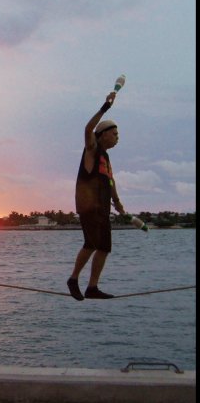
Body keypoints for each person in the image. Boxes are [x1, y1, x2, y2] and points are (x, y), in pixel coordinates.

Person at [68, 91, 122, 300]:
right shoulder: (92, 149)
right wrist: (105, 107)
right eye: (114, 134)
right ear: (103, 134)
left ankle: (92, 287)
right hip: (88, 205)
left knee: (104, 247)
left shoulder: (106, 159)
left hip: (103, 208)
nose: (117, 138)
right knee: (91, 243)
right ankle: (73, 279)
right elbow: (88, 128)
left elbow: (110, 180)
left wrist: (117, 202)